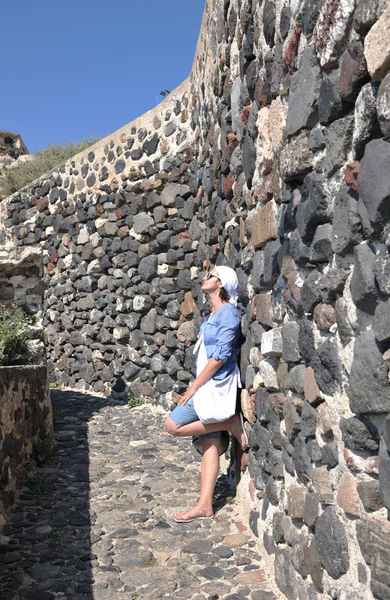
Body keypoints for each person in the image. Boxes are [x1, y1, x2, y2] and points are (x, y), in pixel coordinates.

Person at [164, 265, 247, 523]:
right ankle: (205, 505)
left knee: (172, 425)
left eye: (210, 275)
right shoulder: (213, 315)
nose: (205, 278)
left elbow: (221, 356)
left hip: (213, 386)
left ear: (220, 284)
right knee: (209, 446)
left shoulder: (228, 314)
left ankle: (229, 422)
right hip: (208, 386)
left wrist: (194, 386)